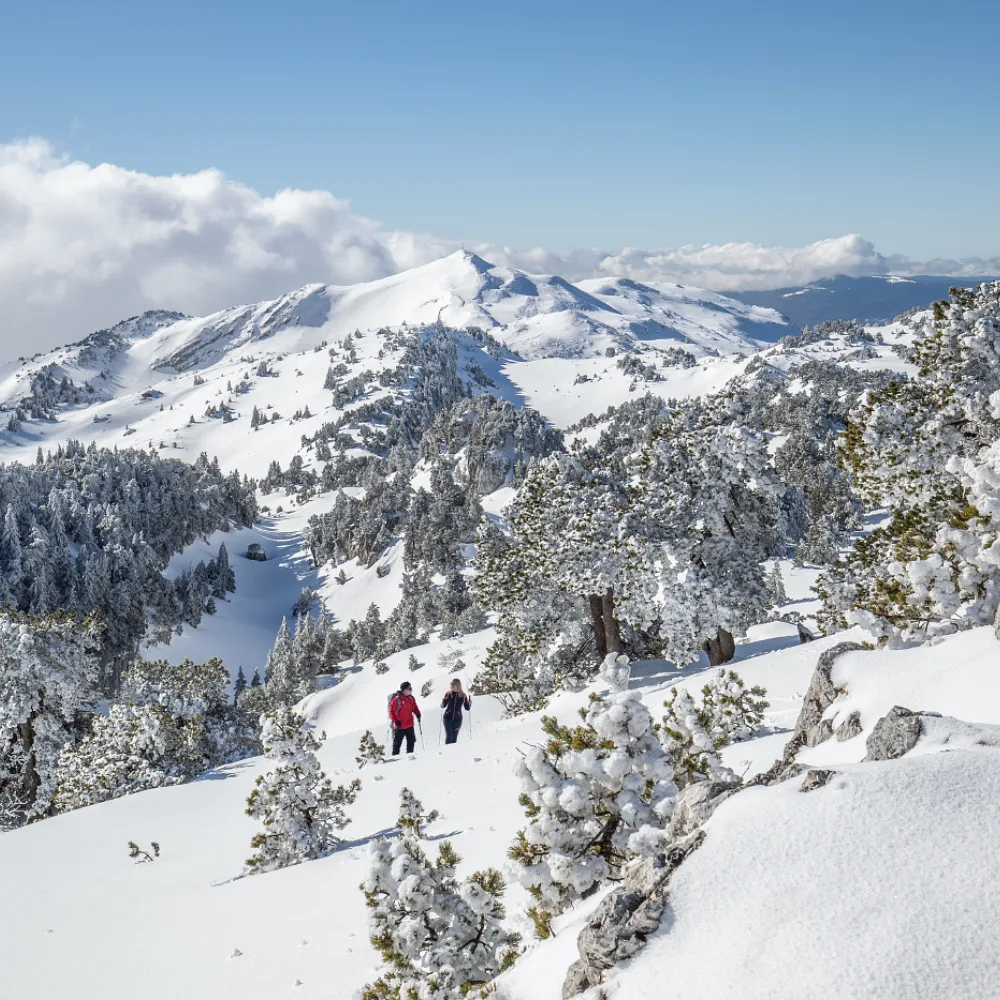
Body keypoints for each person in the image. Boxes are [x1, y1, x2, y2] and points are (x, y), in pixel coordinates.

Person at [389, 681, 421, 755]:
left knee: (411, 741)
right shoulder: (396, 700)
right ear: (404, 690)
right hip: (400, 726)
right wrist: (395, 721)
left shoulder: (411, 698)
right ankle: (394, 757)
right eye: (409, 688)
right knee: (397, 743)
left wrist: (417, 713)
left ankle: (410, 755)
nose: (411, 690)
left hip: (409, 724)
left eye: (411, 688)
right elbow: (391, 712)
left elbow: (415, 707)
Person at [440, 678, 472, 745]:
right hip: (447, 718)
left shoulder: (463, 696)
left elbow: (467, 708)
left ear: (458, 686)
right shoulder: (448, 694)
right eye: (451, 686)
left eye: (453, 685)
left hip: (458, 719)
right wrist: (443, 703)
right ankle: (447, 752)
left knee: (454, 738)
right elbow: (444, 705)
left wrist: (469, 703)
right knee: (449, 737)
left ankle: (453, 754)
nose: (451, 687)